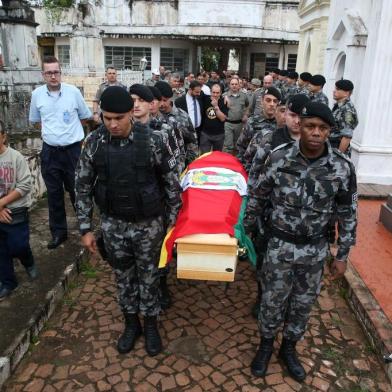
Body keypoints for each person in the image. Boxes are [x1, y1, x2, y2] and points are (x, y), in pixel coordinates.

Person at [244, 101, 357, 381]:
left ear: (329, 131)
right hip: (280, 245)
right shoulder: (279, 157)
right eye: (310, 126)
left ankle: (289, 349)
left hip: (315, 250)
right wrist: (245, 233)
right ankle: (266, 346)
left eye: (322, 128)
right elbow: (258, 196)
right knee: (272, 300)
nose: (316, 132)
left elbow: (348, 213)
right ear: (300, 127)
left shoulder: (342, 168)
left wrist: (342, 255)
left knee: (303, 304)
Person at [75, 86, 181, 356]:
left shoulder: (154, 141)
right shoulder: (94, 143)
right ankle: (131, 324)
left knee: (150, 276)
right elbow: (82, 186)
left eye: (118, 118)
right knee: (123, 277)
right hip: (113, 224)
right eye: (107, 118)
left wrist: (172, 224)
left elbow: (171, 184)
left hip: (149, 225)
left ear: (130, 114)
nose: (112, 124)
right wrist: (86, 229)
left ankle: (151, 324)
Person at [247, 94, 310, 318]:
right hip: (269, 217)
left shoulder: (312, 145)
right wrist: (251, 216)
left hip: (300, 221)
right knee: (265, 262)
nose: (295, 121)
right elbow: (253, 174)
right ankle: (262, 297)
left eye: (300, 117)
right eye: (290, 114)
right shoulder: (269, 139)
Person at [29, 56, 91, 249]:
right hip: (50, 152)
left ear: (60, 73)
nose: (53, 76)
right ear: (43, 75)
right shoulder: (37, 95)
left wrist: (68, 134)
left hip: (72, 151)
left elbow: (85, 117)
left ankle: (85, 230)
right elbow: (36, 120)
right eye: (49, 73)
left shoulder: (73, 92)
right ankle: (59, 233)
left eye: (56, 72)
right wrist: (53, 134)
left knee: (77, 191)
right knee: (54, 195)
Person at [0, 121, 37, 300]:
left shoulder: (15, 157)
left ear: (3, 136)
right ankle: (8, 282)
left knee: (18, 245)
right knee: (1, 251)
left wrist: (2, 203)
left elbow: (25, 184)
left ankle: (28, 260)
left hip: (16, 210)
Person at [156, 81, 198, 169]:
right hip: (159, 167)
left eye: (165, 100)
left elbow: (192, 141)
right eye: (159, 100)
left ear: (170, 98)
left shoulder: (182, 115)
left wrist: (192, 164)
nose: (162, 104)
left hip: (179, 165)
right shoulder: (152, 117)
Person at [237, 87, 280, 167]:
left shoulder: (281, 124)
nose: (272, 104)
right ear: (261, 101)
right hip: (252, 168)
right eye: (268, 100)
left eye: (275, 101)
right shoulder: (252, 122)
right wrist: (244, 167)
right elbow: (241, 146)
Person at [330, 79, 358, 154]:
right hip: (331, 147)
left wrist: (339, 156)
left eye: (338, 89)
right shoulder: (339, 106)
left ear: (346, 93)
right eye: (335, 88)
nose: (334, 91)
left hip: (337, 149)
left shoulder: (348, 111)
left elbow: (347, 136)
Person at [199, 83, 228, 153]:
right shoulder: (205, 99)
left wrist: (216, 107)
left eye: (217, 93)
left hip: (219, 135)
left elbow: (223, 118)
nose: (215, 95)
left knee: (217, 157)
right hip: (205, 134)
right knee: (204, 157)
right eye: (213, 92)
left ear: (221, 93)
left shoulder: (224, 101)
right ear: (210, 92)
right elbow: (196, 92)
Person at [223, 77, 249, 154]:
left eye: (236, 84)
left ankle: (236, 163)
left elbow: (247, 106)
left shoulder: (244, 96)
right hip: (228, 124)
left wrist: (246, 114)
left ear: (239, 85)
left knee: (238, 145)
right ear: (229, 85)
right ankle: (227, 163)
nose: (234, 86)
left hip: (239, 124)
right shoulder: (224, 95)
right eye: (232, 84)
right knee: (228, 146)